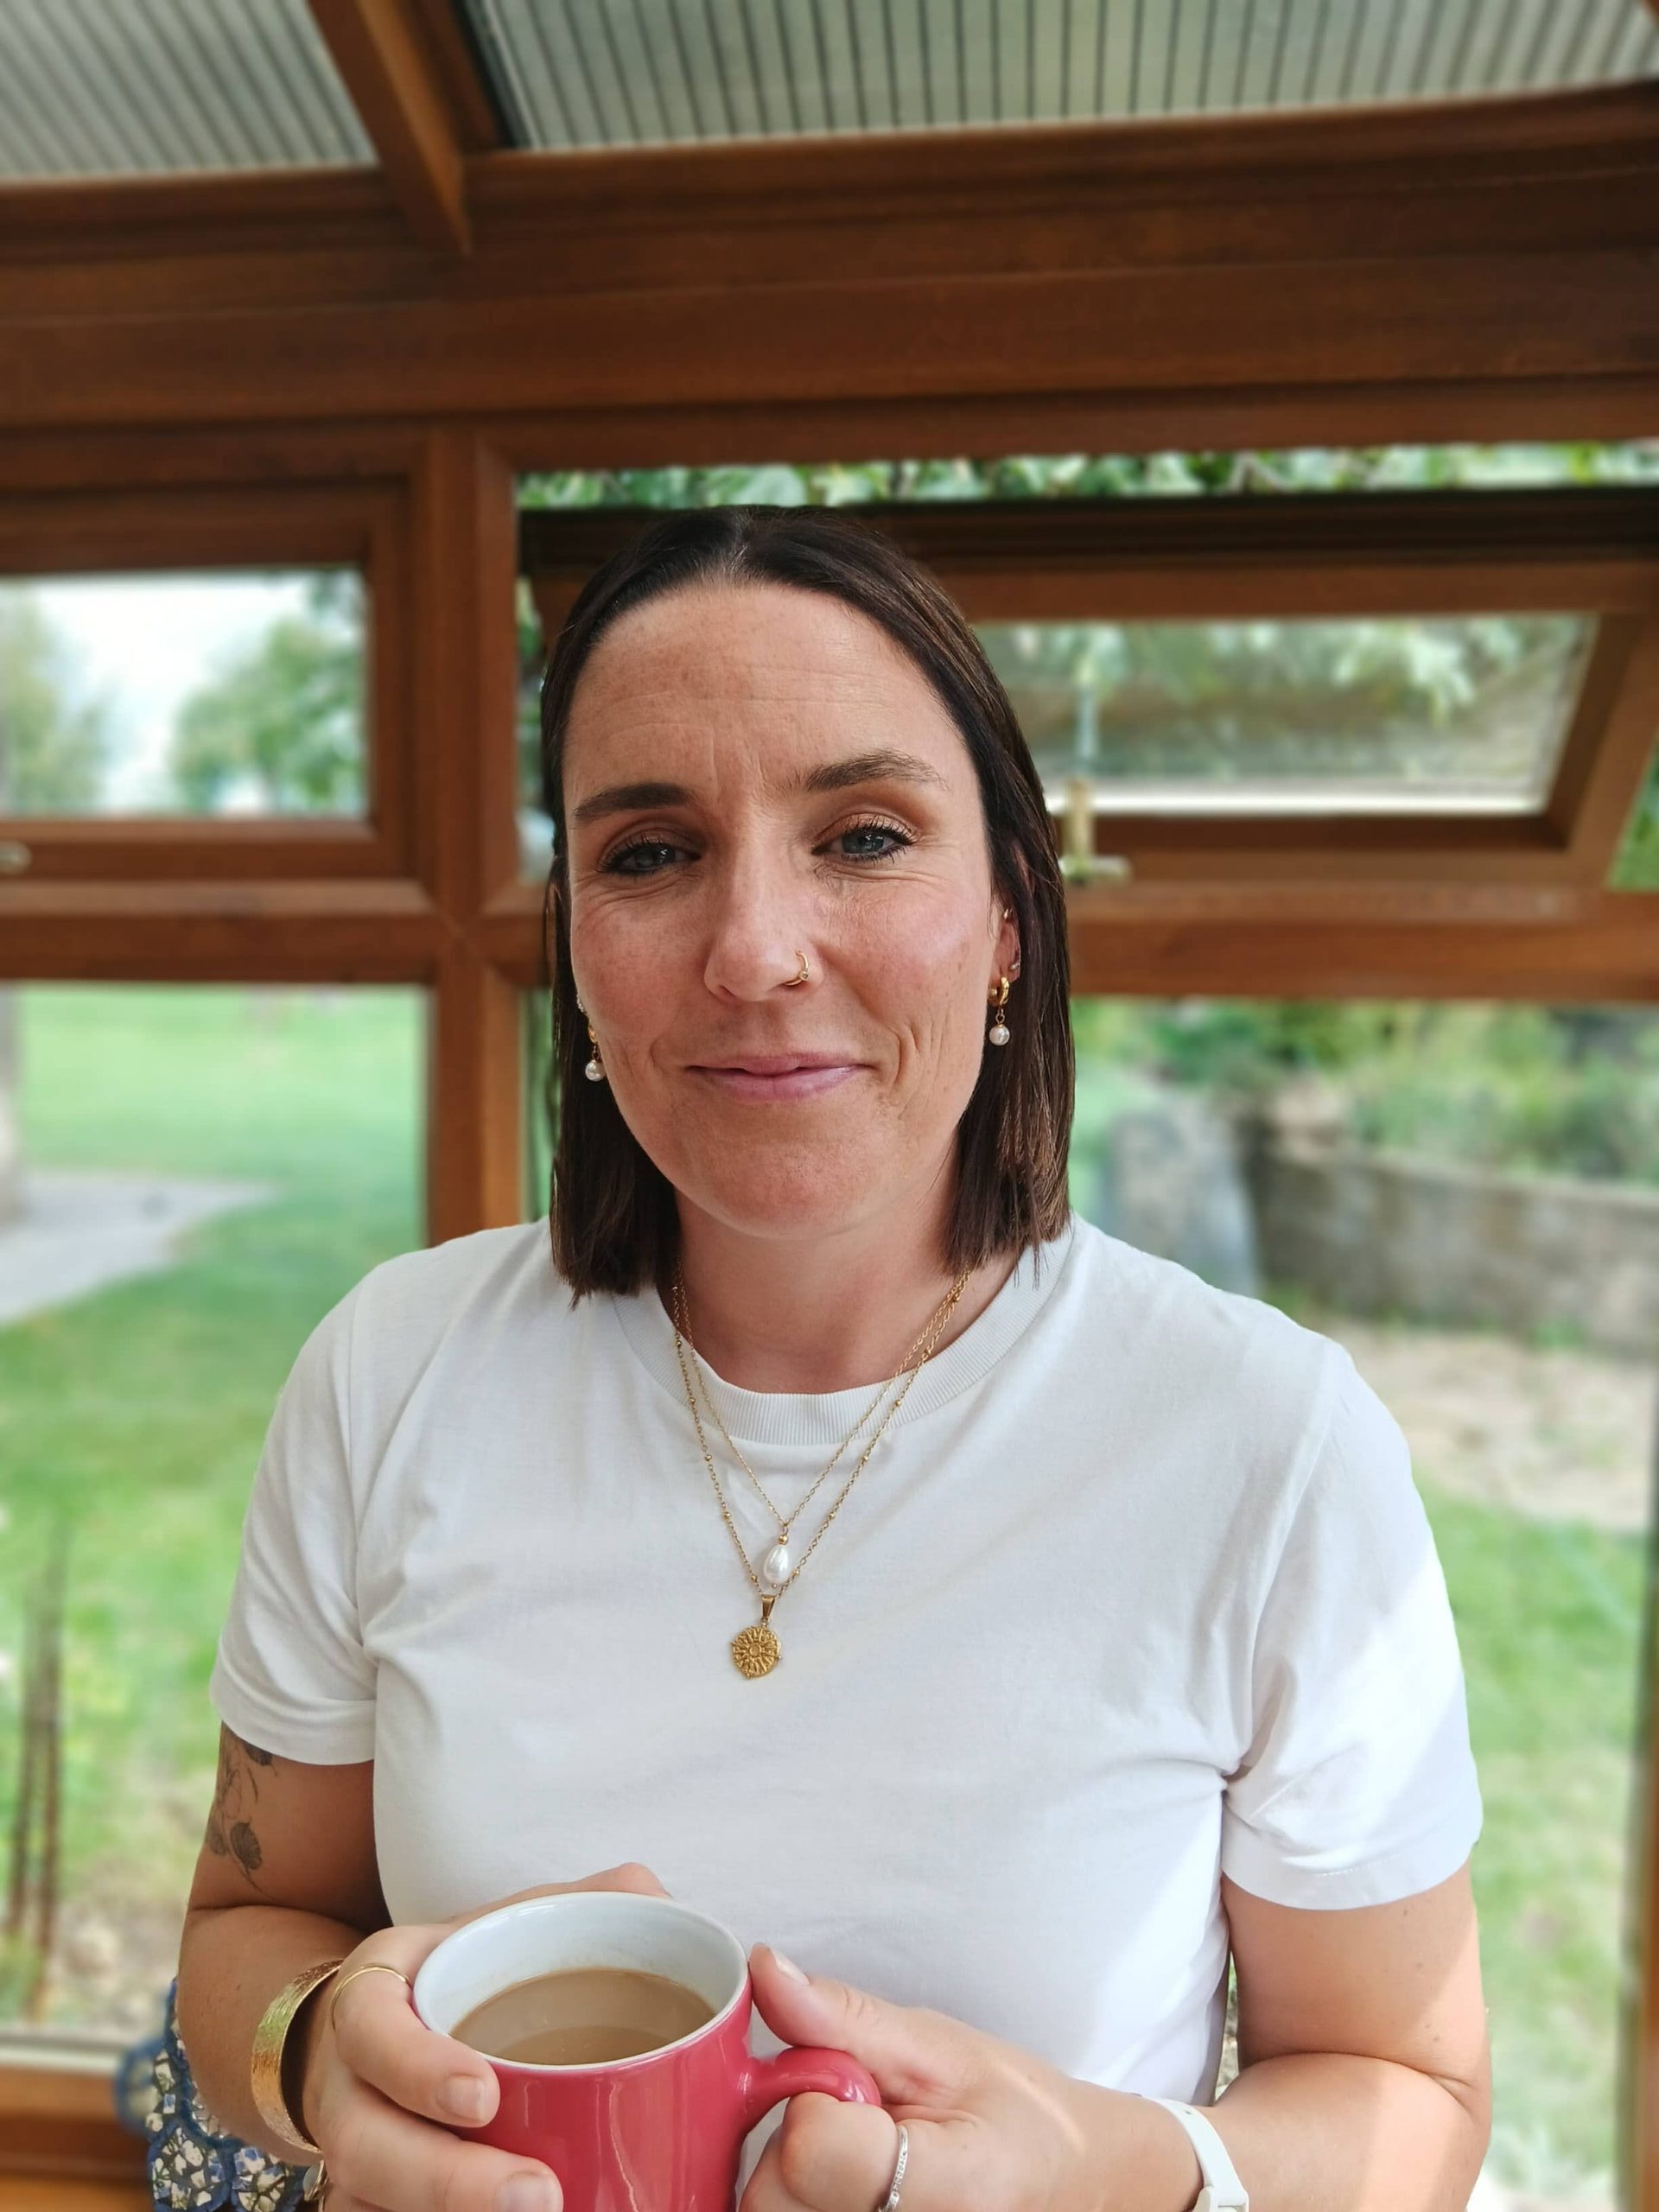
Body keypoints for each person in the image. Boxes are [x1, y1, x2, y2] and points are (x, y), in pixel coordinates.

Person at [175, 505, 1491, 2212]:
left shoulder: (1267, 1445)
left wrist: (1107, 2162)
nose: (754, 951)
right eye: (651, 852)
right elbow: (249, 1927)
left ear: (1009, 916)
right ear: (573, 943)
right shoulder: (391, 1373)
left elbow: (1411, 2092)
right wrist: (310, 2051)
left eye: (864, 835)